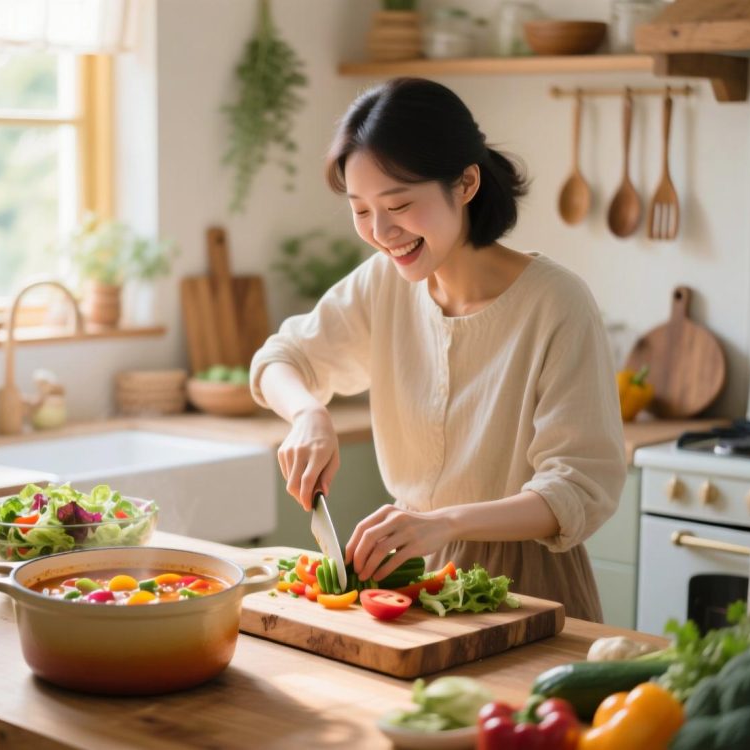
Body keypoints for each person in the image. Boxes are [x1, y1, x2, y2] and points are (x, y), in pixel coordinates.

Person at [249, 77, 625, 621]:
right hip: (408, 579)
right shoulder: (384, 283)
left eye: (399, 204)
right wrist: (309, 414)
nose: (380, 231)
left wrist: (445, 523)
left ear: (467, 182)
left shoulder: (556, 302)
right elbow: (280, 360)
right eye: (360, 210)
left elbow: (577, 489)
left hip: (526, 588)